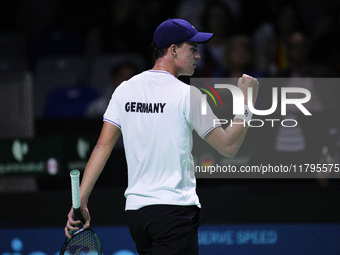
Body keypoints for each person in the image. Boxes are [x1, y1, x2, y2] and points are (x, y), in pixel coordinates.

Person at [65, 18, 259, 254]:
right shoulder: (188, 95)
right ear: (173, 50)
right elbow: (228, 146)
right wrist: (248, 101)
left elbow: (101, 147)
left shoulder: (124, 90)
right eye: (193, 48)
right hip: (173, 212)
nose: (198, 55)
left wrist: (81, 200)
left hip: (137, 215)